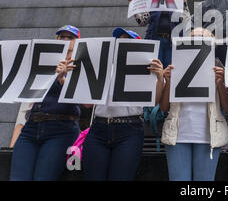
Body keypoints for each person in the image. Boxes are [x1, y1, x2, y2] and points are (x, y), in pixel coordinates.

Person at [82, 28, 165, 181]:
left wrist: (160, 78)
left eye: (128, 39)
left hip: (129, 129)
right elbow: (87, 104)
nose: (122, 41)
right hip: (99, 128)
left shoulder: (148, 69)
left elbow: (154, 102)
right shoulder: (104, 66)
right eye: (120, 39)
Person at [159, 28, 228, 181]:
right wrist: (169, 81)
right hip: (177, 137)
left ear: (212, 43)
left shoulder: (219, 69)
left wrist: (220, 83)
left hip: (209, 137)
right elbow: (163, 107)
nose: (197, 40)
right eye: (193, 37)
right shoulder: (175, 66)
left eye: (202, 37)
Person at [9, 25, 81, 181]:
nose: (66, 40)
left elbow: (85, 102)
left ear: (78, 42)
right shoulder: (43, 61)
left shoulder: (81, 65)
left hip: (61, 127)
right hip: (32, 126)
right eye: (62, 37)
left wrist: (63, 80)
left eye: (70, 37)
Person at [129, 0, 188, 67]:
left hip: (171, 42)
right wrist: (133, 6)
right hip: (156, 40)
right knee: (155, 67)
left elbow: (186, 19)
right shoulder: (153, 7)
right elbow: (142, 21)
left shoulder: (177, 8)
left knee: (169, 68)